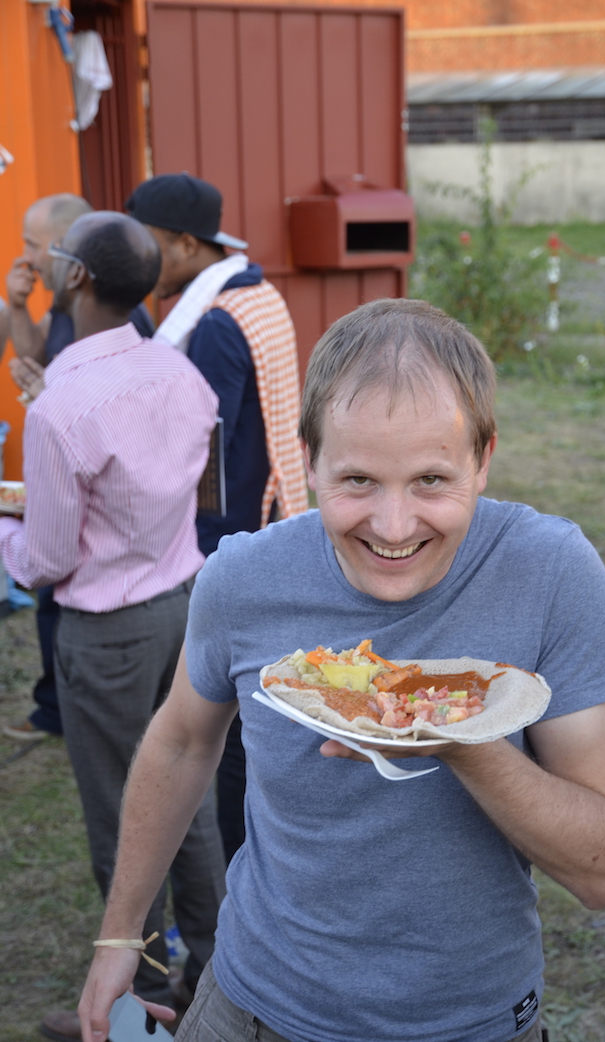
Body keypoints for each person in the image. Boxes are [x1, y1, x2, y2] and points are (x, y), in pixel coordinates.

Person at [79, 297, 605, 1042]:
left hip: (472, 1023)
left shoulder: (551, 575)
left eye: (431, 480)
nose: (394, 526)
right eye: (357, 481)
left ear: (483, 459)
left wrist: (459, 742)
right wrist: (121, 935)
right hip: (249, 1007)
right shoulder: (244, 578)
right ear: (307, 460)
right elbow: (182, 742)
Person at [0, 212, 226, 1042]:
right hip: (183, 604)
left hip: (108, 631)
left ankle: (142, 1003)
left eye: (53, 253)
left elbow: (47, 558)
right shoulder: (176, 367)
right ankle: (219, 977)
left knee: (123, 817)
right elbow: (198, 479)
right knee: (189, 797)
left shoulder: (61, 407)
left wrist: (6, 532)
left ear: (76, 279)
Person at [127, 172, 308, 863]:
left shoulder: (214, 325)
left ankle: (241, 862)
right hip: (275, 512)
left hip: (231, 535)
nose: (140, 260)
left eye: (145, 243)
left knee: (227, 724)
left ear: (183, 244)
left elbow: (206, 454)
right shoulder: (258, 292)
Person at [2, 193, 155, 742]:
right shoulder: (70, 305)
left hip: (99, 499)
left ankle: (71, 712)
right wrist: (18, 306)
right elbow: (36, 353)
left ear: (69, 251)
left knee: (58, 587)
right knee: (52, 600)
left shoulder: (112, 316)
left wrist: (51, 399)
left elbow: (116, 411)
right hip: (72, 488)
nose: (26, 255)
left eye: (33, 244)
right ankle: (57, 707)